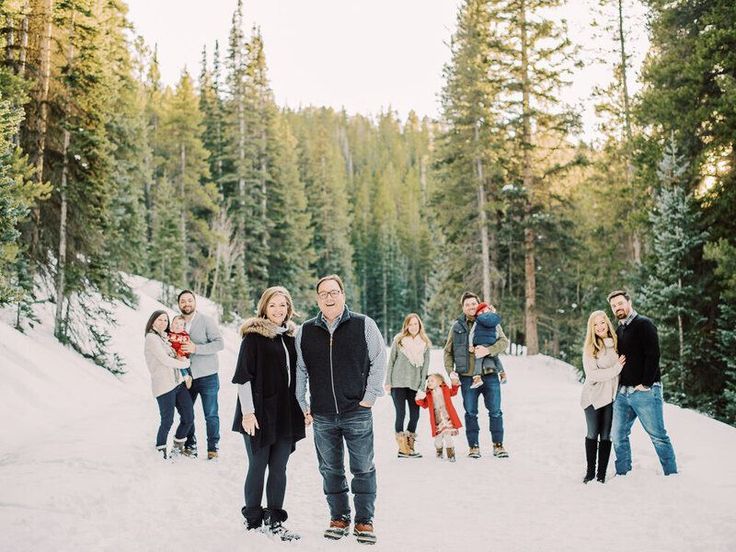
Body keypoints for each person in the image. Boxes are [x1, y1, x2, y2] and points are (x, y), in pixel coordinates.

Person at [295, 274, 386, 545]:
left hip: (356, 410)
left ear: (343, 295)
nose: (329, 297)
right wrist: (302, 403)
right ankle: (339, 517)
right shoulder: (306, 331)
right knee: (330, 469)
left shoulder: (363, 324)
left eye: (334, 292)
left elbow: (379, 360)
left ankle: (364, 520)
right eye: (323, 293)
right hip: (322, 414)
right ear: (317, 299)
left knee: (363, 467)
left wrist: (369, 397)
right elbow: (300, 370)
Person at [232, 286, 306, 541]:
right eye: (273, 305)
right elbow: (243, 377)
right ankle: (252, 518)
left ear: (289, 308)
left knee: (279, 468)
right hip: (258, 412)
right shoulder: (253, 337)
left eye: (283, 305)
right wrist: (248, 413)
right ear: (264, 307)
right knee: (258, 464)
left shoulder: (291, 337)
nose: (278, 310)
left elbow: (300, 377)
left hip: (285, 412)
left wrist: (304, 407)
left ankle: (274, 518)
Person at [608, 290, 678, 476]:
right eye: (614, 306)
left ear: (629, 302)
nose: (617, 308)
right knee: (617, 435)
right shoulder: (619, 330)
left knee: (658, 436)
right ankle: (623, 474)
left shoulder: (644, 324)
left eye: (620, 303)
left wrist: (646, 384)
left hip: (645, 392)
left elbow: (653, 354)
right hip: (623, 394)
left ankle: (672, 476)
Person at [443, 291, 509, 459]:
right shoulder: (457, 326)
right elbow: (448, 352)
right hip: (467, 376)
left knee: (495, 411)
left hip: (489, 374)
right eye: (467, 304)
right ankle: (473, 447)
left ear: (478, 304)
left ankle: (498, 445)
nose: (471, 307)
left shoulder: (490, 320)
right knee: (470, 412)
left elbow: (504, 342)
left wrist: (488, 350)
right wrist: (451, 371)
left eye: (473, 303)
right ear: (463, 307)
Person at [178, 289, 224, 460]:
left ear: (195, 302)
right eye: (183, 301)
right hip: (186, 377)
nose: (186, 303)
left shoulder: (206, 320)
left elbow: (219, 344)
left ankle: (213, 447)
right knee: (187, 413)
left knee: (211, 414)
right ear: (179, 304)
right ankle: (191, 445)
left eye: (189, 300)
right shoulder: (177, 322)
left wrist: (196, 348)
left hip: (208, 375)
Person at [580, 310, 625, 483]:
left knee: (606, 436)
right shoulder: (590, 347)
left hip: (611, 397)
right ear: (592, 328)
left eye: (602, 322)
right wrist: (615, 370)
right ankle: (590, 473)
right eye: (595, 324)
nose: (599, 327)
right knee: (593, 433)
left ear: (607, 323)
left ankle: (601, 475)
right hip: (592, 396)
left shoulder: (615, 343)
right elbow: (592, 374)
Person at [143, 310, 194, 459]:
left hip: (177, 383)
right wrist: (185, 364)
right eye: (160, 320)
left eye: (166, 320)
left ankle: (178, 446)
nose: (163, 323)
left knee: (188, 417)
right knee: (167, 420)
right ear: (152, 321)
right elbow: (165, 360)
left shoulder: (164, 337)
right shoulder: (152, 338)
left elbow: (177, 354)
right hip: (164, 385)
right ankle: (161, 450)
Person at [384, 313, 430, 458]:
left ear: (420, 325)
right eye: (410, 324)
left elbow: (425, 368)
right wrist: (388, 382)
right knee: (401, 414)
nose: (413, 327)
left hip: (415, 384)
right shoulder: (399, 340)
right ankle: (403, 449)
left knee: (415, 415)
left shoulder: (425, 343)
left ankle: (410, 445)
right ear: (406, 326)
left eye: (416, 324)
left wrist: (422, 386)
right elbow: (391, 361)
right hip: (398, 383)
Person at [415, 371, 462, 462]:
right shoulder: (428, 394)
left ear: (439, 382)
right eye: (428, 381)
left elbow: (453, 392)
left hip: (447, 418)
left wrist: (455, 384)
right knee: (438, 440)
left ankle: (451, 454)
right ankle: (439, 450)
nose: (429, 383)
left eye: (432, 381)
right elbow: (424, 405)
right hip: (437, 420)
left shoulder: (445, 389)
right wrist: (419, 398)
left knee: (448, 436)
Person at [468, 302, 507, 389]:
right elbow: (497, 333)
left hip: (480, 344)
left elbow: (471, 333)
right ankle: (503, 374)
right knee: (496, 359)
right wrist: (493, 344)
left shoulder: (477, 321)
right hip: (491, 343)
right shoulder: (494, 321)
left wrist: (471, 345)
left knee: (478, 359)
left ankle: (477, 378)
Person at [168, 314, 193, 389]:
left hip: (181, 355)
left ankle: (187, 377)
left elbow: (184, 346)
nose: (178, 326)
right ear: (172, 324)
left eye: (181, 324)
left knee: (180, 365)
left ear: (183, 327)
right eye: (176, 323)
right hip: (172, 355)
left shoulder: (184, 336)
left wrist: (180, 354)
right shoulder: (169, 334)